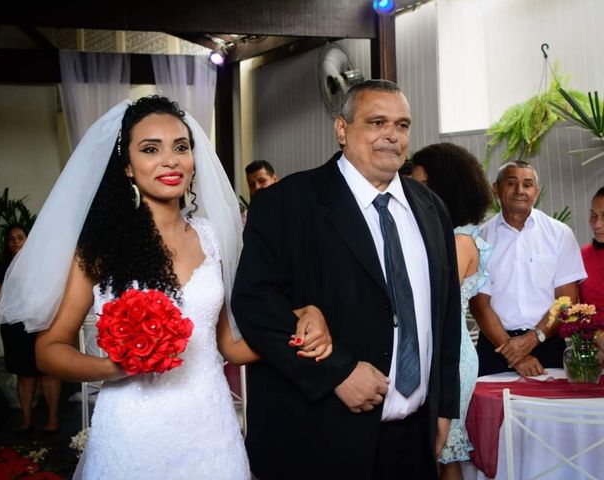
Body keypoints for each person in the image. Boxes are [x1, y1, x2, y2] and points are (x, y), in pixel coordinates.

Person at [0, 96, 331, 479]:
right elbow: (49, 351)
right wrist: (115, 366)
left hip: (211, 430)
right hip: (134, 434)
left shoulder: (211, 239)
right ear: (126, 166)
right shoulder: (101, 248)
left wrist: (300, 320)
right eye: (151, 149)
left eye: (181, 147)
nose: (170, 160)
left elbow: (231, 347)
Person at [232, 80, 461, 479]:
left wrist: (444, 408)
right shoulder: (287, 203)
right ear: (342, 129)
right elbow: (255, 303)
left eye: (402, 125)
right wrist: (336, 371)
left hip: (413, 437)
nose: (393, 135)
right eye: (377, 122)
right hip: (319, 436)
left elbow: (446, 315)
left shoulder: (430, 207)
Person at [411, 143, 493, 480]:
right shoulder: (448, 235)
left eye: (420, 185)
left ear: (441, 188)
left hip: (449, 356)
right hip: (437, 350)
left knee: (443, 453)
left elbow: (434, 297)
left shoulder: (459, 240)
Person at [470, 161, 587, 377]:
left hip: (547, 344)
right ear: (496, 189)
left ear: (536, 191)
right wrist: (514, 351)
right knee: (493, 410)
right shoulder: (479, 238)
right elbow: (479, 304)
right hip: (496, 348)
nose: (520, 191)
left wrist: (534, 338)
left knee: (550, 410)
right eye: (512, 183)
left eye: (527, 184)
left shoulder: (559, 234)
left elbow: (567, 300)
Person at [0, 225, 61, 434]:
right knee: (24, 376)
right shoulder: (2, 267)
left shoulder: (41, 265)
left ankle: (53, 420)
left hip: (42, 325)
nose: (16, 242)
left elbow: (56, 294)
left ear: (28, 240)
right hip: (14, 328)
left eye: (20, 238)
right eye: (11, 239)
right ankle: (27, 421)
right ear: (7, 243)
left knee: (48, 373)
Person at [580, 187, 604, 353]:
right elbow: (573, 307)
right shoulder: (582, 256)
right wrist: (598, 338)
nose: (597, 224)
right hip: (590, 353)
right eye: (593, 216)